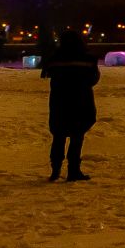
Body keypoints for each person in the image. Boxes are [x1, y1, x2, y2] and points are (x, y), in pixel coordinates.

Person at [44, 30, 99, 183]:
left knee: (58, 136)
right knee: (77, 136)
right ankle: (73, 170)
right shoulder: (87, 58)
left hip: (59, 102)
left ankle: (55, 170)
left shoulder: (55, 58)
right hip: (81, 101)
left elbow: (49, 72)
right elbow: (93, 78)